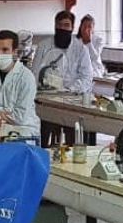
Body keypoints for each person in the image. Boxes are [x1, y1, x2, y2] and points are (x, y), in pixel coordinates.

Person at [33, 11, 94, 147]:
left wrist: (68, 89)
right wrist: (47, 87)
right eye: (59, 25)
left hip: (71, 100)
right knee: (43, 130)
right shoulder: (44, 46)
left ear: (72, 27)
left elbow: (86, 77)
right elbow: (35, 73)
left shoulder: (80, 48)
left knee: (73, 133)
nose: (62, 28)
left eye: (66, 25)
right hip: (47, 99)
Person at [0, 30, 40, 139]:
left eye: (5, 50)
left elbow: (20, 117)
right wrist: (2, 113)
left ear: (14, 52)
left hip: (24, 131)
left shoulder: (26, 77)